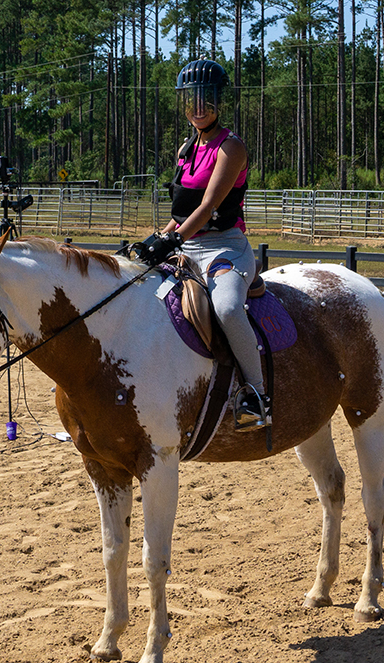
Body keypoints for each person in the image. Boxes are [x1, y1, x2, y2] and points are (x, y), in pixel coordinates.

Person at [135, 59, 269, 431]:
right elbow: (181, 211)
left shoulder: (231, 148)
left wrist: (174, 239)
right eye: (191, 99)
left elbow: (208, 206)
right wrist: (159, 239)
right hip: (185, 245)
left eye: (206, 99)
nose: (198, 107)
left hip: (224, 247)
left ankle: (256, 395)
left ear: (219, 101)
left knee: (226, 308)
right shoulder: (185, 149)